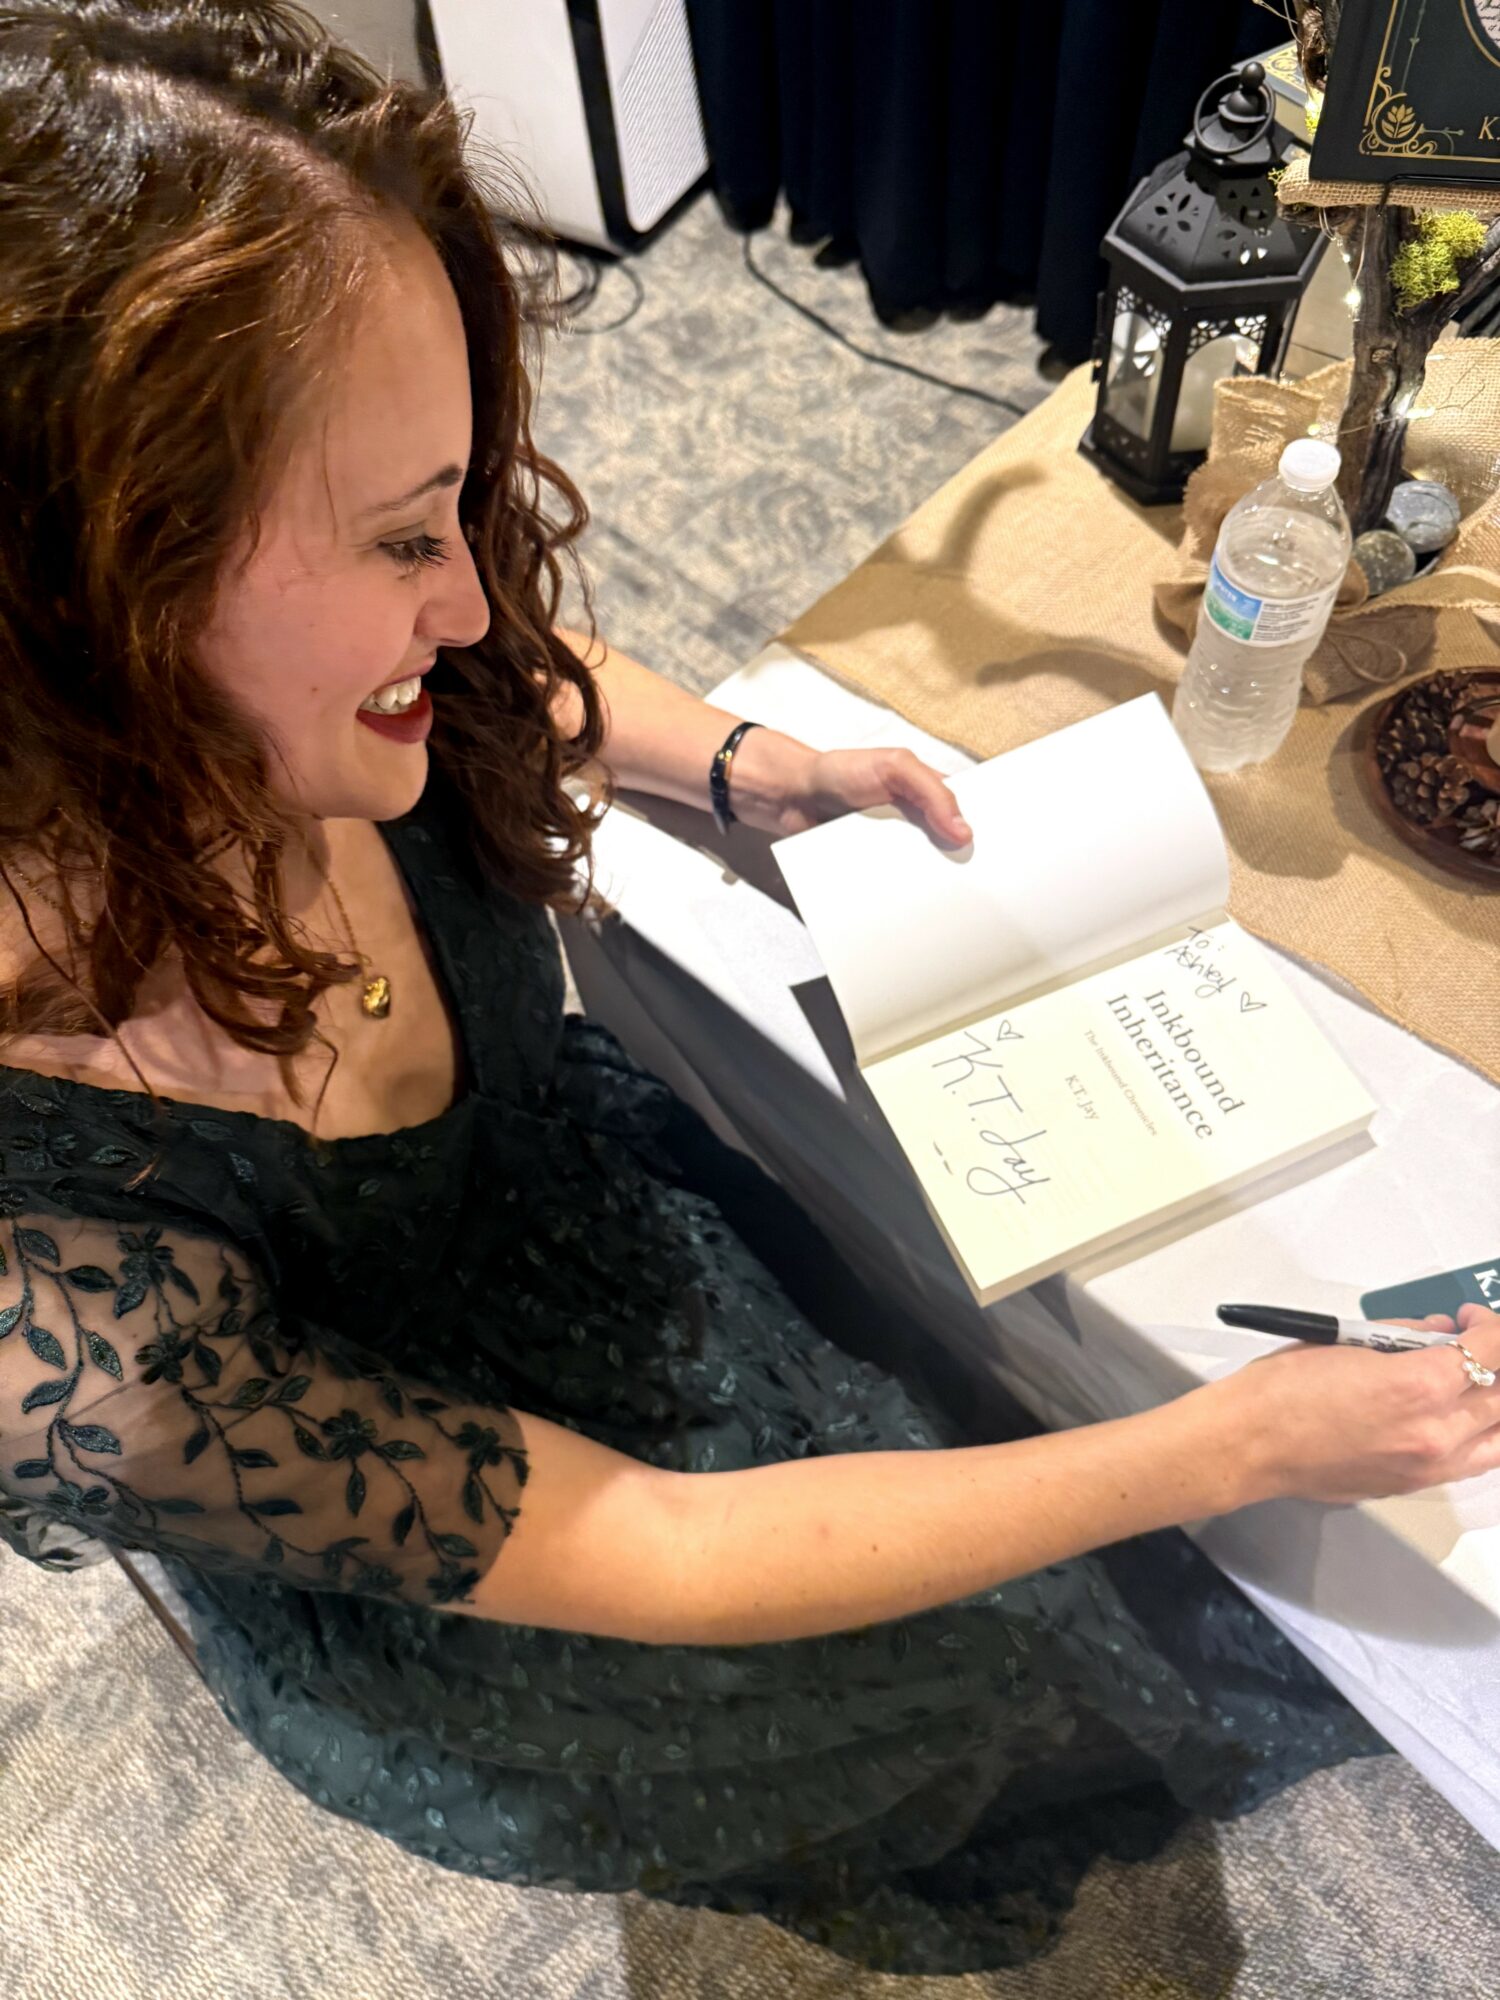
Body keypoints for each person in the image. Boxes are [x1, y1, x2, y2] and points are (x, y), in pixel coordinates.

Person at [0, 3, 1496, 1976]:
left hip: (593, 1236)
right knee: (980, 1680)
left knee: (963, 1408)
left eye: (457, 503)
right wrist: (1236, 1447)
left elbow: (489, 667)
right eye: (391, 538)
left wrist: (724, 758)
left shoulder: (331, 685)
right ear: (77, 608)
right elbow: (641, 1551)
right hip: (486, 1576)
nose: (462, 595)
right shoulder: (53, 1304)